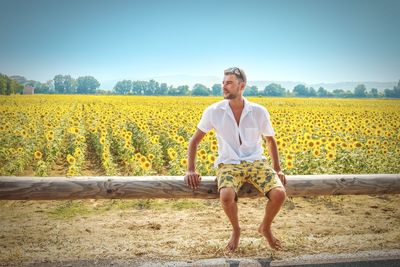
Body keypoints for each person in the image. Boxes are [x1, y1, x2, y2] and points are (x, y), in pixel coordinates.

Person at [184, 67, 287, 252]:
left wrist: (277, 168)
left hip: (256, 162)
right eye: (223, 83)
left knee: (279, 194)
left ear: (242, 86)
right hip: (228, 163)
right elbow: (194, 141)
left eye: (229, 83)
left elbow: (270, 140)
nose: (224, 87)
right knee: (226, 196)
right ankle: (236, 229)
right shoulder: (213, 111)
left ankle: (265, 227)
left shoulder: (259, 111)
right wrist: (190, 169)